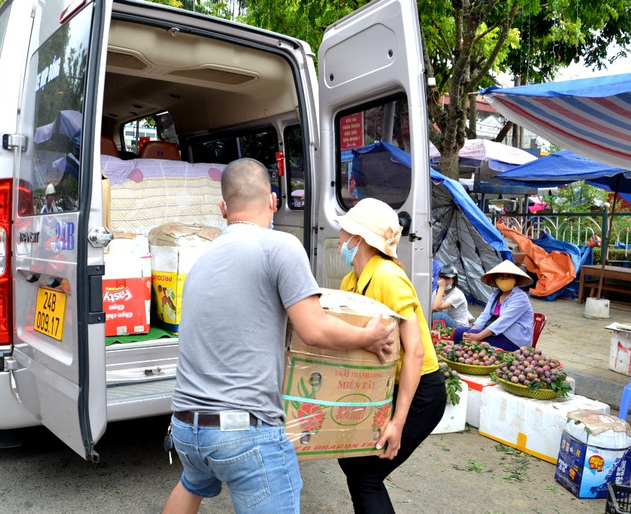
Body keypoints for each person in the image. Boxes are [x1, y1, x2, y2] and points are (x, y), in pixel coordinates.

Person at [162, 158, 396, 514]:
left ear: (223, 208)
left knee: (192, 483)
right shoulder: (279, 246)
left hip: (186, 428)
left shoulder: (202, 262)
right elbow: (314, 328)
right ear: (273, 201)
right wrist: (369, 337)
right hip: (243, 432)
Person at [334, 198, 447, 514]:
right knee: (353, 464)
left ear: (359, 238)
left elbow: (415, 351)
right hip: (387, 389)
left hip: (422, 392)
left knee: (366, 476)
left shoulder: (387, 276)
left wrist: (397, 423)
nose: (340, 238)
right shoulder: (352, 281)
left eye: (345, 231)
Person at [452, 259, 534, 351]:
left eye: (508, 277)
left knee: (472, 338)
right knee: (459, 333)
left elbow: (503, 321)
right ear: (495, 280)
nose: (504, 280)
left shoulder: (520, 298)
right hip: (498, 334)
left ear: (515, 280)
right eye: (501, 277)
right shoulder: (495, 296)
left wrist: (478, 336)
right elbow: (484, 316)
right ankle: (460, 359)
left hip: (513, 340)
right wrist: (471, 332)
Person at [431, 264, 471, 329]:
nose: (444, 281)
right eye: (442, 277)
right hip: (446, 322)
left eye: (447, 278)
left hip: (459, 326)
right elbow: (431, 308)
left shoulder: (457, 294)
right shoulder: (436, 292)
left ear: (454, 280)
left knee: (438, 314)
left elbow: (436, 308)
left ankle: (437, 335)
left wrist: (441, 288)